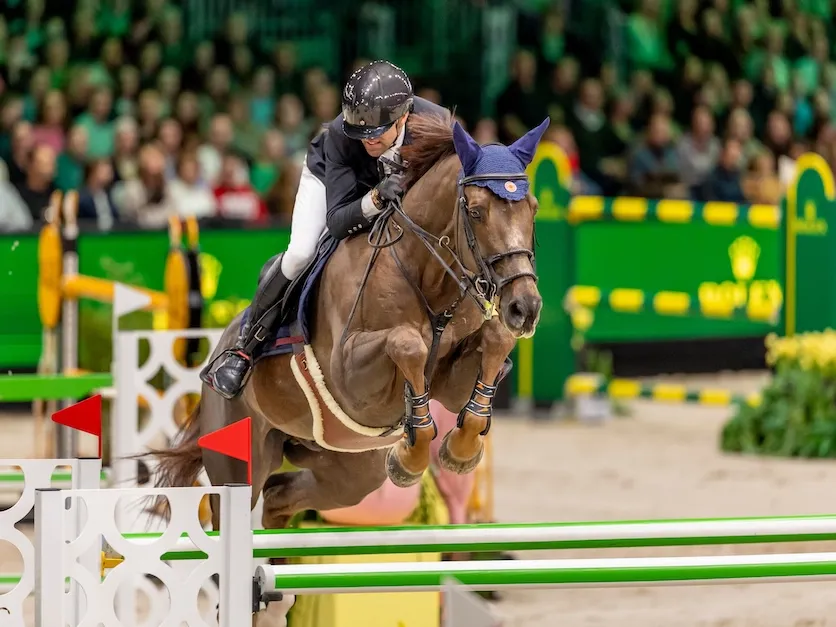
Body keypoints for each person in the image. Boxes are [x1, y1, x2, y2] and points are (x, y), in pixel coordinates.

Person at [202, 59, 448, 399]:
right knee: (301, 252)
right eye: (359, 131)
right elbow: (338, 220)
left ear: (403, 116)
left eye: (375, 132)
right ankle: (244, 350)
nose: (367, 141)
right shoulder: (341, 136)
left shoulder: (436, 123)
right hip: (332, 183)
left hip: (394, 187)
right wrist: (375, 197)